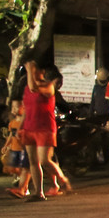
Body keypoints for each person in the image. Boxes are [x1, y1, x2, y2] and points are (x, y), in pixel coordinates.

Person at [20, 61, 71, 200]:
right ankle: (38, 192)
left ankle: (62, 179)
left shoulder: (48, 87)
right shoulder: (27, 89)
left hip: (45, 128)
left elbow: (33, 88)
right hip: (29, 127)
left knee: (44, 160)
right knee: (33, 161)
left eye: (35, 69)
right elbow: (26, 108)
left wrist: (30, 69)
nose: (32, 72)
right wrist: (20, 127)